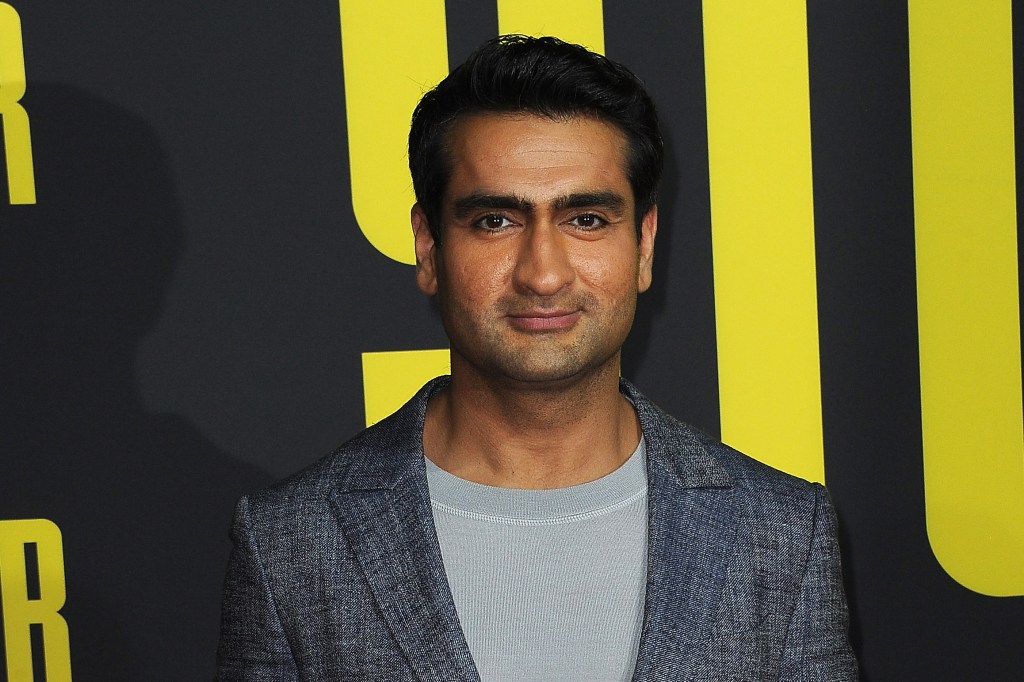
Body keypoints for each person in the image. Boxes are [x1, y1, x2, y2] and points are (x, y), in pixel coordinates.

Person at [215, 35, 858, 681]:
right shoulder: (292, 543)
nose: (543, 274)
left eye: (586, 220)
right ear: (429, 247)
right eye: (495, 220)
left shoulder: (779, 532)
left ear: (643, 246)